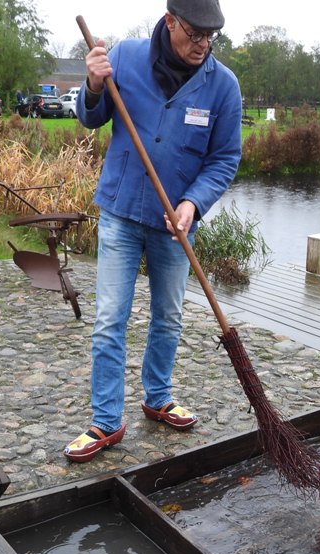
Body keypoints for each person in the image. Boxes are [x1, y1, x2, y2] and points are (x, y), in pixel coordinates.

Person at [64, 0, 242, 462]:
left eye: (210, 36)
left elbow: (225, 158)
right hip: (121, 212)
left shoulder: (223, 86)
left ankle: (157, 397)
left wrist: (192, 203)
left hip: (174, 225)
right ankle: (106, 420)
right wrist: (93, 83)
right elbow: (90, 117)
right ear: (170, 22)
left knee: (168, 316)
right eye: (194, 34)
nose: (203, 44)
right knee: (109, 319)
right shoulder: (124, 57)